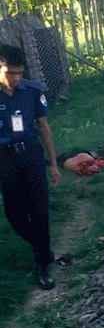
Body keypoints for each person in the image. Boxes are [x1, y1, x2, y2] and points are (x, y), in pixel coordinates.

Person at [0, 45, 60, 290]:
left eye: (19, 73)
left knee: (39, 211)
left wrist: (54, 163)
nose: (15, 78)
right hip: (5, 160)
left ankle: (41, 266)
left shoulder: (33, 91)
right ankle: (42, 248)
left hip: (32, 156)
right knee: (14, 214)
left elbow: (44, 127)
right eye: (9, 72)